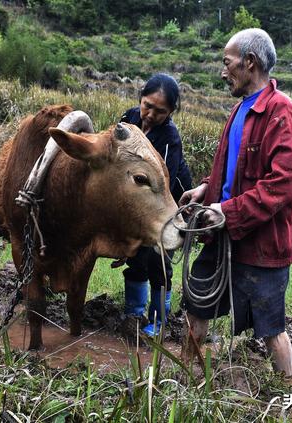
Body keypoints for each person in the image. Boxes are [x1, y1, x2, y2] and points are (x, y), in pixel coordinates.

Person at [179, 28, 292, 377]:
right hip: (223, 235)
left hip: (261, 244)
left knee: (271, 328)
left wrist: (228, 211)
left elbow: (284, 182)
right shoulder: (240, 110)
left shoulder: (282, 112)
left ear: (249, 63)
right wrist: (206, 189)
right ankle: (182, 378)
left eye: (227, 63)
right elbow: (232, 167)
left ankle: (288, 391)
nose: (224, 72)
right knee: (197, 307)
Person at [119, 73, 193, 336]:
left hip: (169, 204)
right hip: (139, 201)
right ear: (140, 98)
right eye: (147, 105)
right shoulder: (128, 120)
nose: (150, 114)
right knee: (136, 258)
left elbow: (163, 184)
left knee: (157, 260)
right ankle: (134, 314)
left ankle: (158, 320)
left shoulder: (170, 138)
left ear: (171, 112)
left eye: (160, 111)